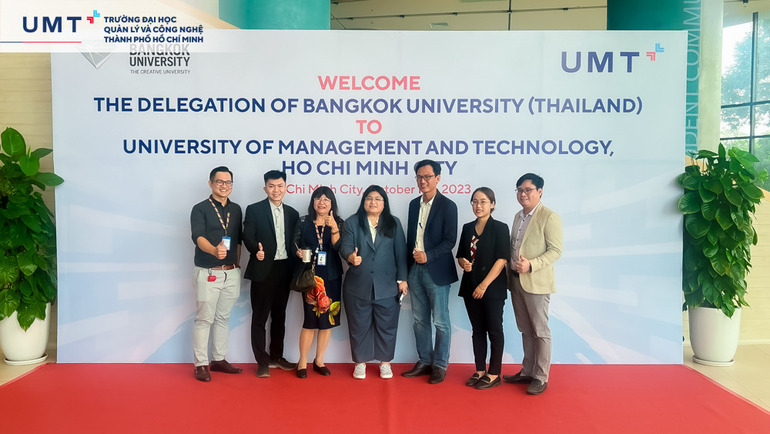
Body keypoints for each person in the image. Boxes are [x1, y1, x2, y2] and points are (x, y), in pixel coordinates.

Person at [340, 185, 408, 380]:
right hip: (357, 285)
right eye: (369, 198)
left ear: (384, 203)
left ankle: (385, 363)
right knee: (358, 325)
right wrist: (351, 258)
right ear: (363, 201)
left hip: (387, 285)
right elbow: (345, 246)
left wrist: (403, 279)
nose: (373, 202)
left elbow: (401, 253)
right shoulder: (352, 222)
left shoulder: (393, 223)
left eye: (378, 199)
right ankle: (360, 362)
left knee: (387, 325)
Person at [504, 173, 562, 395]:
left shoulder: (549, 217)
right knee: (525, 329)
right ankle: (527, 371)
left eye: (528, 190)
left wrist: (532, 265)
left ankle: (541, 376)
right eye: (519, 190)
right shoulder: (518, 216)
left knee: (540, 330)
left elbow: (555, 251)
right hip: (516, 281)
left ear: (540, 191)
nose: (523, 194)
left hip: (536, 282)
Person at [403, 159, 458, 384]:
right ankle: (425, 361)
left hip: (436, 270)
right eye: (419, 177)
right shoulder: (413, 205)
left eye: (427, 176)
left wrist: (428, 255)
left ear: (438, 178)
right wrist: (406, 269)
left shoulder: (448, 206)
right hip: (414, 270)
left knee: (441, 321)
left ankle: (440, 364)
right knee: (419, 320)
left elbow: (450, 240)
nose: (423, 181)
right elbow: (410, 239)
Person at [243, 170, 300, 378]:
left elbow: (295, 241)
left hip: (284, 269)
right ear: (265, 188)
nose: (276, 190)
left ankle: (277, 357)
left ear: (286, 187)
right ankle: (262, 361)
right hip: (262, 269)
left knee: (279, 316)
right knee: (260, 318)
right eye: (272, 186)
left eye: (280, 185)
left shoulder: (293, 213)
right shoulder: (254, 209)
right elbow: (247, 235)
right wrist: (254, 250)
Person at [190, 166, 243, 382]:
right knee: (204, 319)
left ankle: (219, 359)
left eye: (228, 182)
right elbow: (198, 237)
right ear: (210, 183)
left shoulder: (236, 209)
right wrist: (214, 250)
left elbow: (237, 240)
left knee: (223, 318)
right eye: (220, 181)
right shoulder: (200, 209)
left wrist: (236, 265)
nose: (224, 185)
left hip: (231, 273)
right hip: (208, 272)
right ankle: (201, 364)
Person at [456, 187, 510, 389]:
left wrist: (484, 285)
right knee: (477, 330)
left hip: (492, 287)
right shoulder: (467, 227)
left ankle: (494, 373)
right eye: (475, 202)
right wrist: (463, 263)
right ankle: (479, 370)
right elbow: (461, 255)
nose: (478, 206)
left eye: (483, 201)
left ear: (492, 204)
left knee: (494, 330)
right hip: (470, 286)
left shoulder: (500, 228)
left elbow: (502, 259)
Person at [292, 187, 344, 378]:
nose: (322, 202)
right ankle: (302, 361)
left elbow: (339, 248)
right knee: (309, 320)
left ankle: (319, 360)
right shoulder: (304, 221)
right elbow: (293, 243)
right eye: (318, 198)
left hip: (331, 276)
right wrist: (297, 251)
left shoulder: (339, 222)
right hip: (310, 276)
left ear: (332, 203)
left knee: (327, 319)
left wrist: (334, 228)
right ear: (313, 202)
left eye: (326, 199)